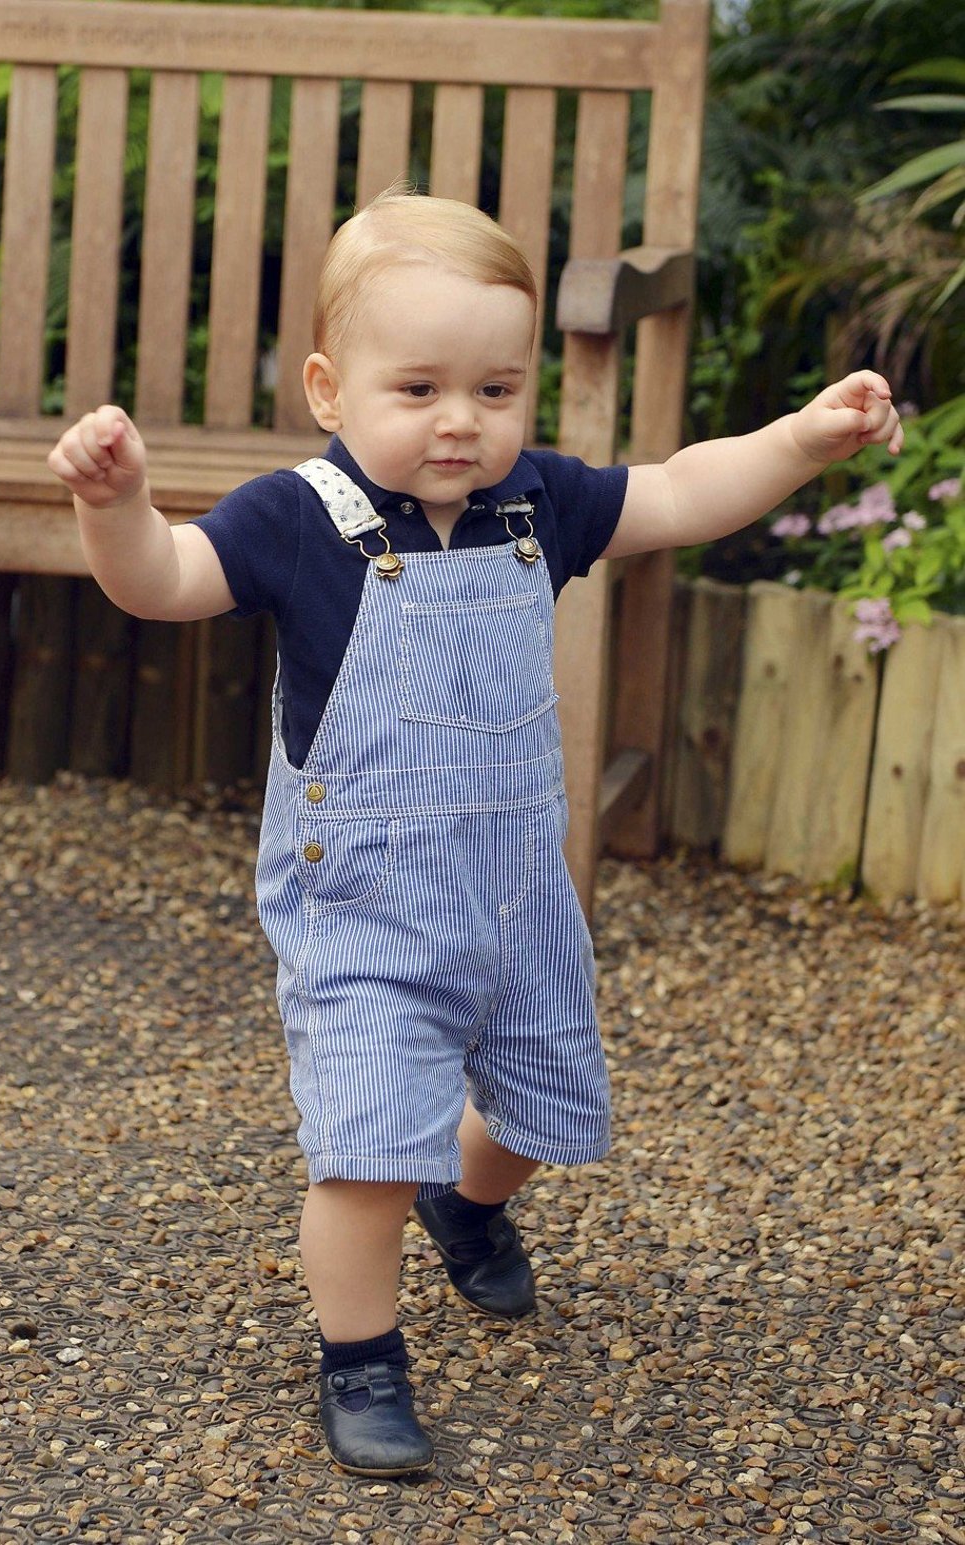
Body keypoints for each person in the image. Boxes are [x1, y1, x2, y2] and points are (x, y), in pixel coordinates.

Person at [47, 190, 903, 1479]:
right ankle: (362, 1360)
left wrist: (795, 439)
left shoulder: (536, 504)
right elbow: (161, 583)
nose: (464, 421)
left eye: (498, 389)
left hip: (514, 891)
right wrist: (115, 505)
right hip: (365, 908)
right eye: (422, 388)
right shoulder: (295, 518)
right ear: (331, 392)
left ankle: (471, 1200)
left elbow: (676, 492)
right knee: (365, 1153)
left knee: (539, 1110)